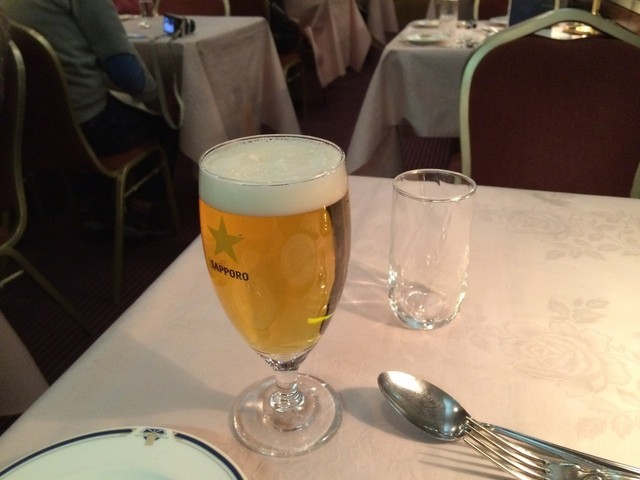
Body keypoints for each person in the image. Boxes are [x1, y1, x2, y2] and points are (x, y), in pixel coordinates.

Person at [0, 0, 177, 236]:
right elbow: (123, 68)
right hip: (87, 128)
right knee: (168, 122)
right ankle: (139, 212)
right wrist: (160, 100)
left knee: (111, 105)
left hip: (28, 132)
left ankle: (96, 206)